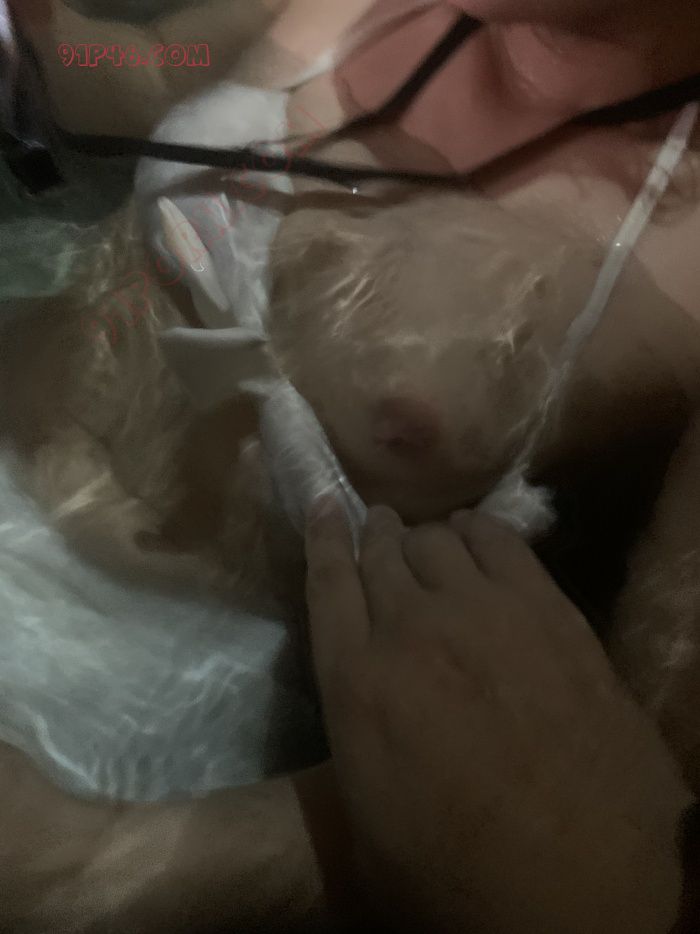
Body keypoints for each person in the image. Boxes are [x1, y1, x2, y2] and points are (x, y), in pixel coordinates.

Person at [0, 1, 698, 932]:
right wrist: (33, 38)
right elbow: (156, 62)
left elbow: (621, 788)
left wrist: (101, 863)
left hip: (130, 714)